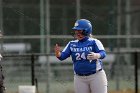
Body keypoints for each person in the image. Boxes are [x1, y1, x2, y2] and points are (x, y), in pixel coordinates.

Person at [54, 19, 108, 93]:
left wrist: (97, 55)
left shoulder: (94, 41)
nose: (77, 33)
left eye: (80, 31)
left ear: (87, 31)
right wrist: (58, 54)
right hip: (79, 78)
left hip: (96, 76)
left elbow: (103, 53)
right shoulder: (72, 43)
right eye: (76, 31)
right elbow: (62, 56)